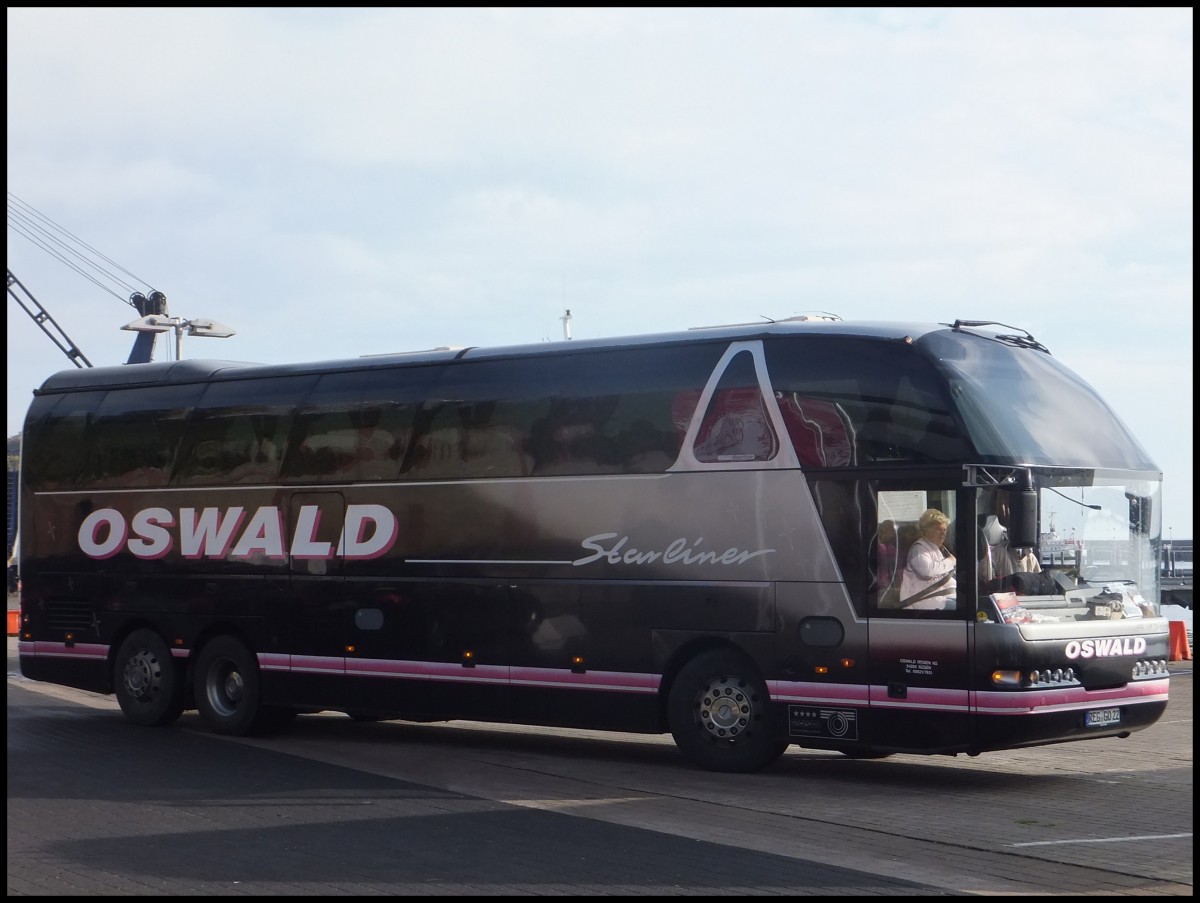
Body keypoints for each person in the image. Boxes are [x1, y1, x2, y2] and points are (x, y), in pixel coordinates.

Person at [898, 508, 957, 610]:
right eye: (938, 530)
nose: (943, 534)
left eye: (945, 530)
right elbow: (928, 570)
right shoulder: (918, 549)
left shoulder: (937, 549)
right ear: (927, 531)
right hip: (923, 602)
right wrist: (950, 561)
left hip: (939, 598)